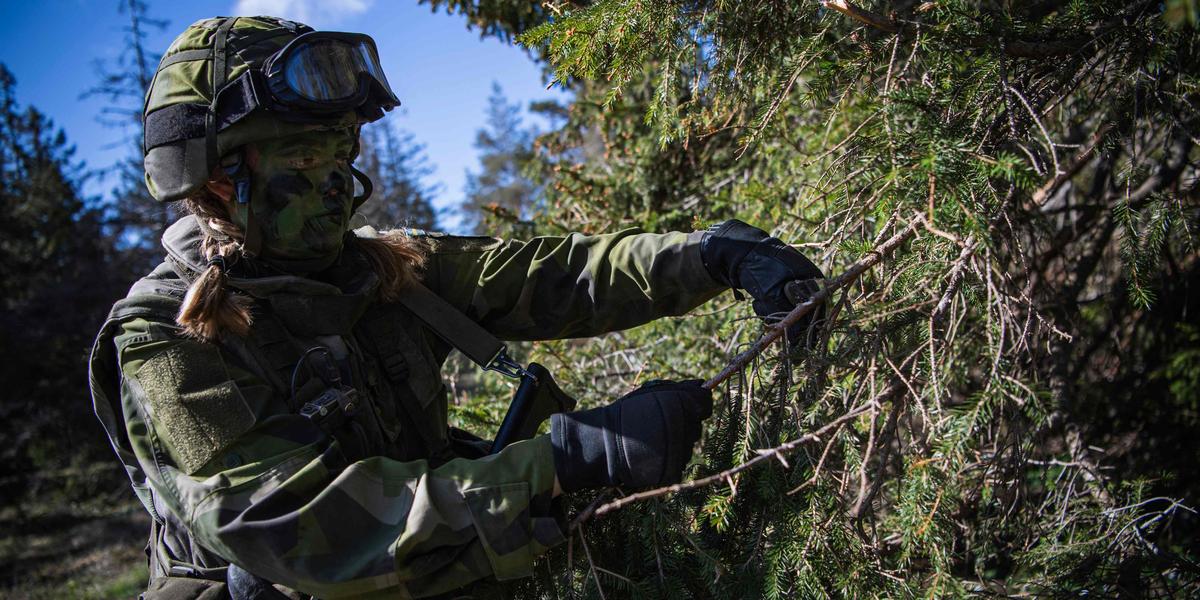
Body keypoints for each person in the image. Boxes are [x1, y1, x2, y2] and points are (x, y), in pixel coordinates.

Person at [88, 16, 825, 600]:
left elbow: (554, 277)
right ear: (219, 184)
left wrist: (712, 256)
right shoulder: (165, 338)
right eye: (306, 162)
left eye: (342, 154)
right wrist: (567, 459)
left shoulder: (380, 265)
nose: (339, 186)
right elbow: (307, 532)